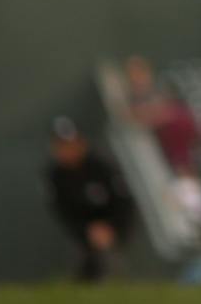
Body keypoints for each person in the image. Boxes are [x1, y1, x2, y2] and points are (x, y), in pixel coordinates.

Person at [46, 117, 132, 282]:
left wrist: (111, 227)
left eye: (70, 144)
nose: (66, 150)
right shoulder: (55, 175)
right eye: (61, 145)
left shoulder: (102, 166)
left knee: (112, 268)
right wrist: (87, 230)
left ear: (81, 142)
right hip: (80, 232)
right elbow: (63, 212)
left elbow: (124, 203)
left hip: (114, 227)